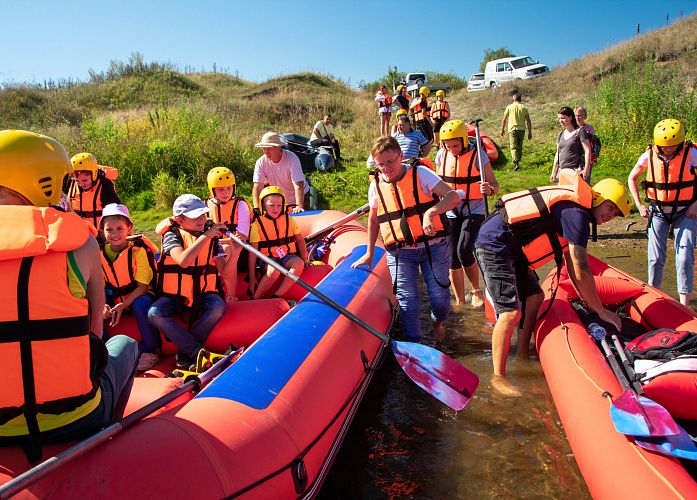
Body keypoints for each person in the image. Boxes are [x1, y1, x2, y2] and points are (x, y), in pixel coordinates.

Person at [0, 130, 137, 459]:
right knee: (126, 345)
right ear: (45, 181)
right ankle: (105, 444)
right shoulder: (81, 243)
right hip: (76, 419)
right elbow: (94, 332)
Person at [475, 172, 632, 396]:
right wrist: (600, 311)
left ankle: (522, 354)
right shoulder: (577, 215)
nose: (611, 215)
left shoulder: (577, 214)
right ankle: (498, 378)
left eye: (616, 214)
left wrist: (588, 302)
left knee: (535, 296)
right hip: (495, 245)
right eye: (611, 207)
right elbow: (581, 269)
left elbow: (572, 267)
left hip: (515, 249)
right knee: (510, 313)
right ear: (599, 198)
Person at [352, 137, 461, 342]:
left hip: (433, 247)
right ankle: (415, 346)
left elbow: (453, 197)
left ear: (401, 156)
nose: (386, 168)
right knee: (408, 302)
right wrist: (369, 253)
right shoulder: (375, 185)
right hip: (400, 252)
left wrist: (430, 213)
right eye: (380, 164)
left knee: (439, 299)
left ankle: (438, 322)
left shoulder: (420, 174)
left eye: (390, 162)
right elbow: (374, 220)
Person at [149, 194, 236, 370]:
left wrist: (236, 251)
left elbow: (225, 272)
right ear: (180, 220)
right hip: (175, 296)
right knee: (154, 313)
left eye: (203, 215)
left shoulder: (213, 239)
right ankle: (196, 351)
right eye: (195, 216)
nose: (201, 219)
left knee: (218, 306)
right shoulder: (172, 236)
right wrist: (206, 235)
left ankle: (186, 353)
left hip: (203, 293)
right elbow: (183, 261)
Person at [627, 118, 697, 307]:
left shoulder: (691, 154)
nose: (668, 149)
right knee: (656, 257)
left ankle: (684, 304)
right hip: (657, 212)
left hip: (686, 212)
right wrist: (640, 204)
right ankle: (653, 298)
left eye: (673, 145)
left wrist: (696, 204)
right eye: (665, 145)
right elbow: (632, 178)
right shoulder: (648, 155)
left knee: (684, 257)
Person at [436, 120, 499, 308]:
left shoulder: (479, 155)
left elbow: (494, 184)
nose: (452, 149)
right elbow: (436, 182)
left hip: (475, 208)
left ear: (464, 140)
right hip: (450, 209)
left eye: (455, 145)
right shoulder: (442, 155)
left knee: (464, 249)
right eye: (448, 146)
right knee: (451, 255)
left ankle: (476, 290)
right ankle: (460, 300)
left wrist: (490, 189)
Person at [99, 203, 161, 371]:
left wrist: (124, 305)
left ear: (129, 228)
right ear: (102, 231)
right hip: (115, 299)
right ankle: (103, 354)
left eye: (119, 228)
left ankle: (150, 351)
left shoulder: (137, 251)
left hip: (137, 296)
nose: (114, 234)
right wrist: (103, 306)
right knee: (94, 311)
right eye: (109, 229)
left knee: (141, 306)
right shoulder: (99, 254)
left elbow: (142, 287)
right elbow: (99, 287)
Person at [248, 186, 309, 300]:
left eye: (279, 205)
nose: (275, 209)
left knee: (299, 264)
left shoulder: (288, 219)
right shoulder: (257, 225)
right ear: (263, 205)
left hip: (287, 255)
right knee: (274, 270)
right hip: (267, 258)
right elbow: (252, 252)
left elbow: (300, 240)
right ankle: (255, 298)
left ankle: (277, 296)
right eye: (271, 205)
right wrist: (252, 278)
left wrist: (304, 259)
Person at [206, 167, 252, 302]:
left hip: (238, 252)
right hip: (213, 251)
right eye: (220, 189)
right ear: (212, 190)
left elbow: (241, 239)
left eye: (229, 188)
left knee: (226, 250)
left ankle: (232, 296)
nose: (226, 192)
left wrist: (215, 242)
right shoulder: (205, 207)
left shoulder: (240, 205)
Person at [252, 132, 310, 214]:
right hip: (280, 198)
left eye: (269, 149)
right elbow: (257, 187)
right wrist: (257, 208)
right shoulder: (261, 162)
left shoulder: (291, 158)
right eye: (264, 149)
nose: (266, 152)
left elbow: (298, 184)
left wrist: (299, 206)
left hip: (301, 195)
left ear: (278, 148)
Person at [63, 152, 120, 229]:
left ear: (94, 174)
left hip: (100, 232)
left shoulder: (104, 185)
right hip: (78, 229)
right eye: (78, 181)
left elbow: (115, 211)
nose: (81, 184)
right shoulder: (70, 182)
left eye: (84, 180)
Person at [366, 115, 431, 169]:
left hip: (412, 162)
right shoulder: (395, 136)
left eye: (401, 125)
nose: (399, 127)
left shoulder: (417, 134)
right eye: (398, 125)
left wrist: (421, 158)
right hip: (398, 163)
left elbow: (428, 146)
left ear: (408, 125)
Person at [550, 106, 592, 184]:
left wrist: (587, 169)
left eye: (563, 118)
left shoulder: (580, 132)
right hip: (562, 173)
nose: (561, 121)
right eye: (560, 118)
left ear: (571, 117)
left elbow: (587, 150)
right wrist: (554, 172)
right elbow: (558, 154)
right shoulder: (561, 134)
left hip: (576, 172)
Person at [500, 94, 532, 171]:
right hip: (522, 129)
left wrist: (502, 130)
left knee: (513, 146)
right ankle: (518, 160)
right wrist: (529, 132)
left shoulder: (509, 107)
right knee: (519, 145)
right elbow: (528, 120)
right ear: (520, 100)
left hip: (512, 129)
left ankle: (516, 163)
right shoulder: (524, 108)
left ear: (513, 100)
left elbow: (504, 120)